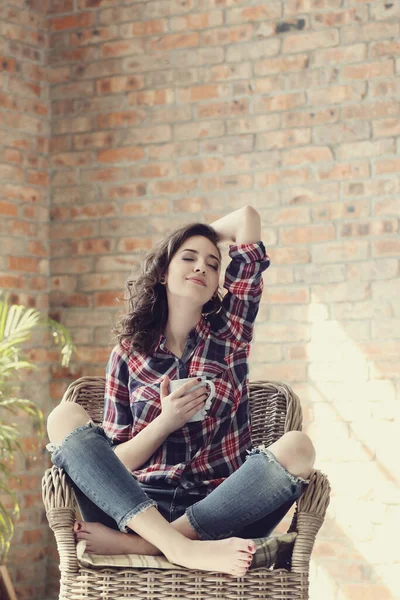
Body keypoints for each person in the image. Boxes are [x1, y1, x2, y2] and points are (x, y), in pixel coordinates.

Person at [46, 206, 315, 578]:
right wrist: (165, 421)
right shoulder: (128, 354)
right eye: (188, 258)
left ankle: (152, 546)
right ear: (162, 272)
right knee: (63, 417)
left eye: (212, 263)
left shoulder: (230, 334)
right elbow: (114, 465)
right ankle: (178, 548)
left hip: (219, 508)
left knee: (298, 446)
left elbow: (247, 219)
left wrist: (200, 234)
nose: (201, 267)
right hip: (136, 508)